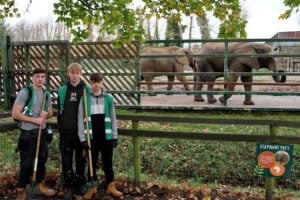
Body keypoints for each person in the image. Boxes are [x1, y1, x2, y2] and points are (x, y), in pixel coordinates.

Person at [12, 68, 56, 200]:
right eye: (37, 76)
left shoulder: (46, 94)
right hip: (28, 133)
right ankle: (21, 189)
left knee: (42, 160)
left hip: (41, 132)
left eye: (42, 76)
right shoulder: (25, 92)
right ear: (32, 78)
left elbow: (50, 112)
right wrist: (34, 120)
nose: (40, 79)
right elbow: (15, 114)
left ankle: (40, 185)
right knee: (26, 163)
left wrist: (46, 115)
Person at [77, 73, 123, 199]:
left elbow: (113, 118)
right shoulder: (85, 99)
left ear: (102, 82)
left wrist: (114, 136)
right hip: (91, 138)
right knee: (91, 163)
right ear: (90, 83)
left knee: (108, 162)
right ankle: (92, 187)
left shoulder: (109, 98)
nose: (96, 85)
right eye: (93, 82)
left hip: (106, 137)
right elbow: (80, 120)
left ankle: (110, 186)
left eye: (98, 82)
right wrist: (82, 139)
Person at [57, 62, 89, 199]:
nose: (74, 76)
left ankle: (80, 181)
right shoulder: (62, 90)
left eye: (77, 73)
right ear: (68, 74)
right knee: (66, 159)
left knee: (81, 158)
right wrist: (61, 126)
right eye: (72, 73)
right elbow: (59, 110)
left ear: (80, 74)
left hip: (81, 132)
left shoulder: (86, 90)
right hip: (66, 131)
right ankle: (69, 183)